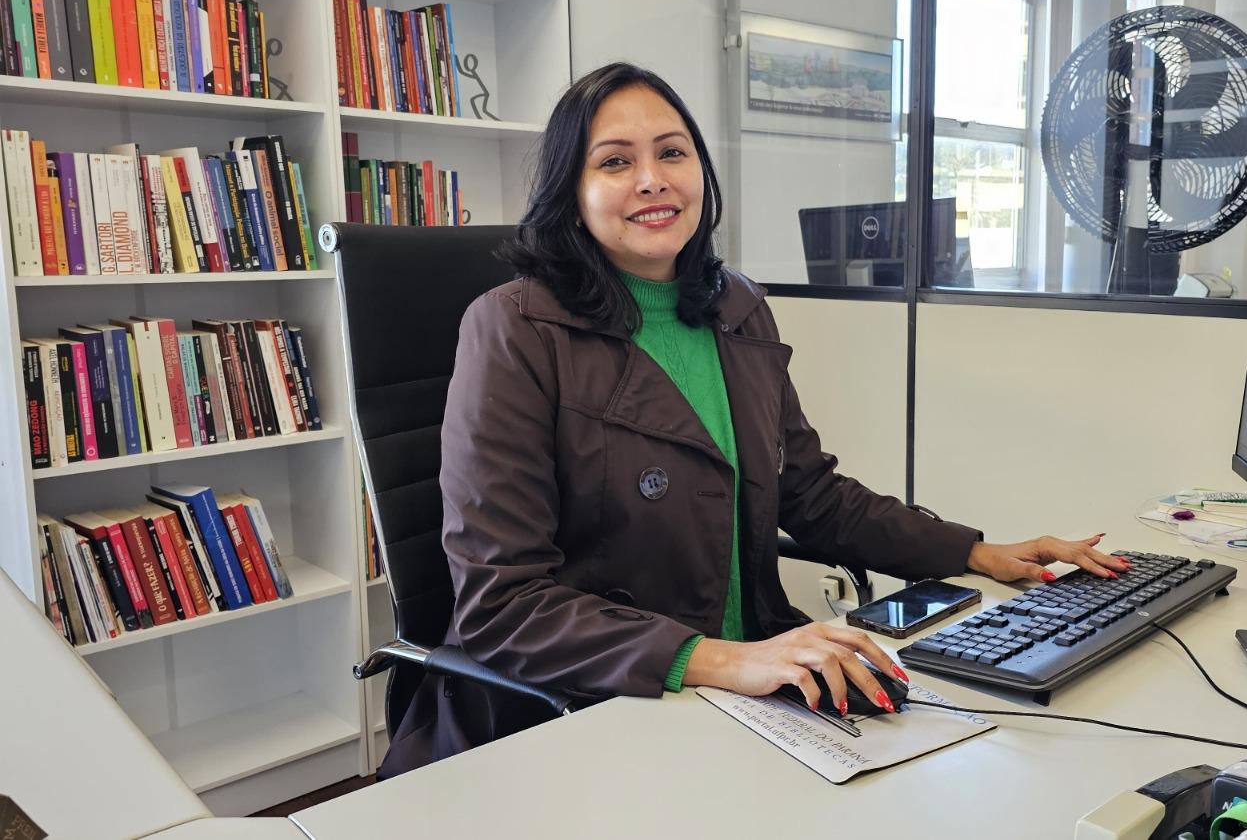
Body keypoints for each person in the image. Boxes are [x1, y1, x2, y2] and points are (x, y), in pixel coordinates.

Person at [379, 63, 1129, 777]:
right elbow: (502, 603)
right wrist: (723, 659)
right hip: (595, 703)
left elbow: (811, 495)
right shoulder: (514, 328)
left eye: (673, 152)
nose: (652, 179)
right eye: (614, 162)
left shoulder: (736, 306)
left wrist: (976, 551)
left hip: (748, 687)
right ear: (570, 191)